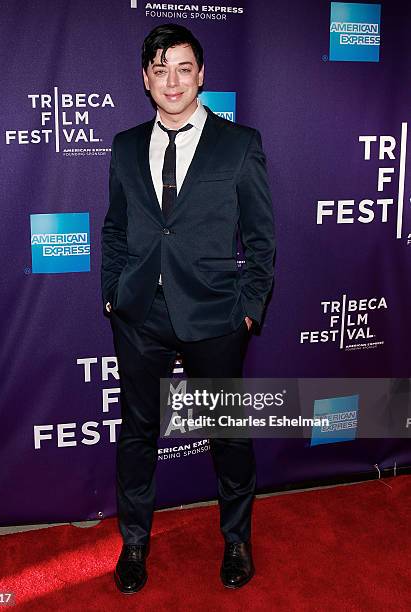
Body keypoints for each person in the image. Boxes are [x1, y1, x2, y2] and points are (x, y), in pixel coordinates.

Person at [101, 23, 275, 594]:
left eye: (183, 67)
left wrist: (249, 308)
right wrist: (113, 292)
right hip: (140, 313)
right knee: (137, 435)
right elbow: (115, 228)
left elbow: (261, 238)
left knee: (226, 433)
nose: (171, 80)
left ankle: (237, 540)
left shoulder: (239, 143)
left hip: (215, 315)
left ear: (201, 76)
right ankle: (133, 545)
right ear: (145, 80)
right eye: (159, 68)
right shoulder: (126, 145)